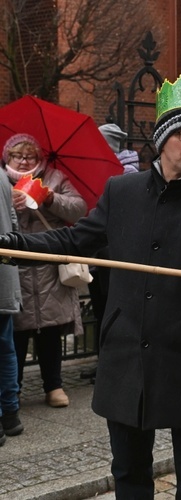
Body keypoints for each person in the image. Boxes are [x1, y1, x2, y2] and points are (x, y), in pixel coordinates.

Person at [0, 75, 181, 498]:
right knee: (129, 472)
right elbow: (75, 239)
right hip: (125, 353)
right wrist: (16, 245)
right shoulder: (121, 192)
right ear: (163, 142)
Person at [2, 133, 87, 408]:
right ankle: (13, 390)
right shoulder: (3, 181)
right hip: (14, 267)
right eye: (18, 155)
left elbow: (78, 209)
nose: (24, 161)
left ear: (39, 158)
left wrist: (49, 198)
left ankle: (54, 386)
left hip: (50, 266)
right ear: (7, 157)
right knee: (16, 332)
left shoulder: (54, 178)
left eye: (30, 156)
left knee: (50, 330)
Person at [81, 123, 141, 383]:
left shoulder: (125, 174)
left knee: (115, 312)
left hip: (116, 256)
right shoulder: (95, 171)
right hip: (97, 255)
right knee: (100, 310)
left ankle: (115, 365)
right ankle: (103, 361)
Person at [0, 166, 23, 445]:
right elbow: (14, 226)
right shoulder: (2, 176)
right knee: (6, 348)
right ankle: (11, 415)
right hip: (4, 274)